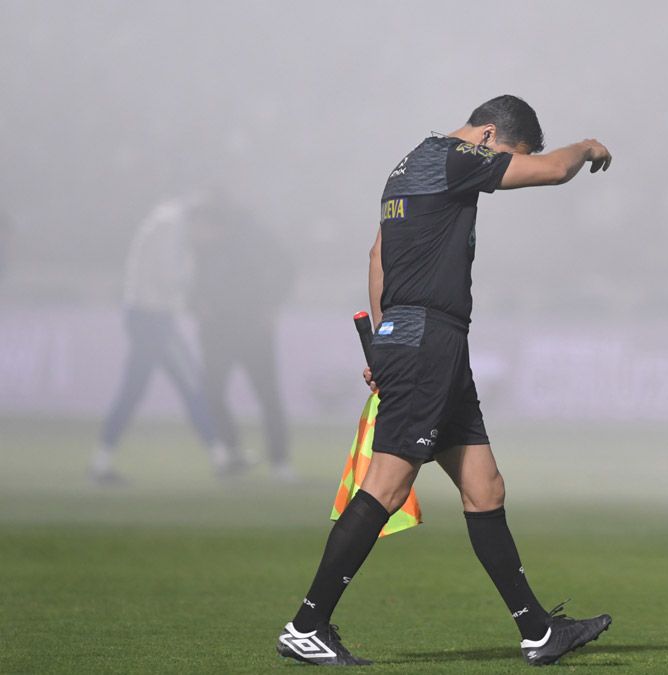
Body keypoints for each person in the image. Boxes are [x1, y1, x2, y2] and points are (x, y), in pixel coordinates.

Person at [275, 95, 614, 666]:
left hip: (429, 343)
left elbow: (377, 252)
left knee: (486, 487)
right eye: (508, 155)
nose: (503, 168)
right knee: (387, 484)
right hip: (428, 341)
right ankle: (307, 625)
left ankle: (537, 632)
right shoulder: (456, 157)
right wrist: (586, 147)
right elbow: (554, 170)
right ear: (486, 135)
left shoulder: (408, 167)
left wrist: (384, 336)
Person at [90, 196, 234, 484]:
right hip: (153, 318)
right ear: (203, 222)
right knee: (190, 383)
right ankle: (221, 456)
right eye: (211, 233)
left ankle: (101, 460)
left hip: (147, 315)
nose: (207, 240)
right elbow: (168, 277)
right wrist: (194, 295)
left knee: (137, 388)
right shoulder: (171, 230)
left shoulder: (167, 224)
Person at [191, 194, 295, 481]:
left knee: (267, 395)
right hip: (216, 332)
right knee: (212, 393)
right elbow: (192, 285)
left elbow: (287, 267)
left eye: (200, 226)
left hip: (252, 330)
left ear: (215, 224)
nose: (195, 233)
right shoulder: (201, 251)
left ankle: (280, 462)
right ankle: (233, 452)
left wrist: (272, 306)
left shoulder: (252, 242)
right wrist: (197, 304)